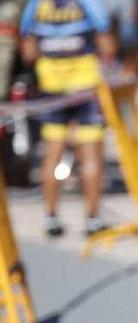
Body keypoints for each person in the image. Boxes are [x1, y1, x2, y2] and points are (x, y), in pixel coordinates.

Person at [19, 0, 114, 238]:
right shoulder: (88, 3)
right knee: (91, 155)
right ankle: (92, 220)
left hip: (52, 87)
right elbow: (107, 45)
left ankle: (51, 218)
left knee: (52, 154)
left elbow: (28, 52)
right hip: (86, 87)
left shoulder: (36, 4)